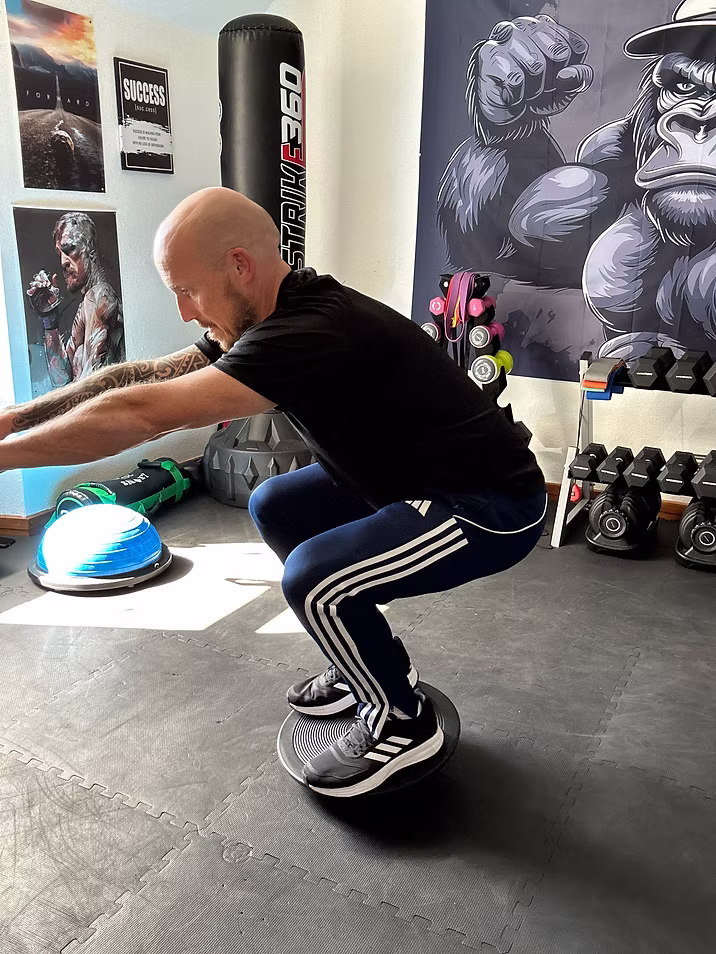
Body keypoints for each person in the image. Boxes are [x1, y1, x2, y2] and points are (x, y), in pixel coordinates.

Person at [0, 187, 547, 798]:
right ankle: (369, 665)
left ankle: (403, 720)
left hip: (487, 505)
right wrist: (13, 418)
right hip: (403, 476)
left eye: (188, 291)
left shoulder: (311, 329)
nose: (185, 312)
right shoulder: (261, 318)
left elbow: (142, 414)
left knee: (313, 580)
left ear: (239, 265)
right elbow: (141, 378)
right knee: (275, 504)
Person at [25, 212, 125, 389]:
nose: (63, 261)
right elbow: (61, 380)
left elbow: (90, 391)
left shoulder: (99, 297)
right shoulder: (87, 302)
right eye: (59, 253)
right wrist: (50, 320)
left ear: (91, 249)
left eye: (69, 249)